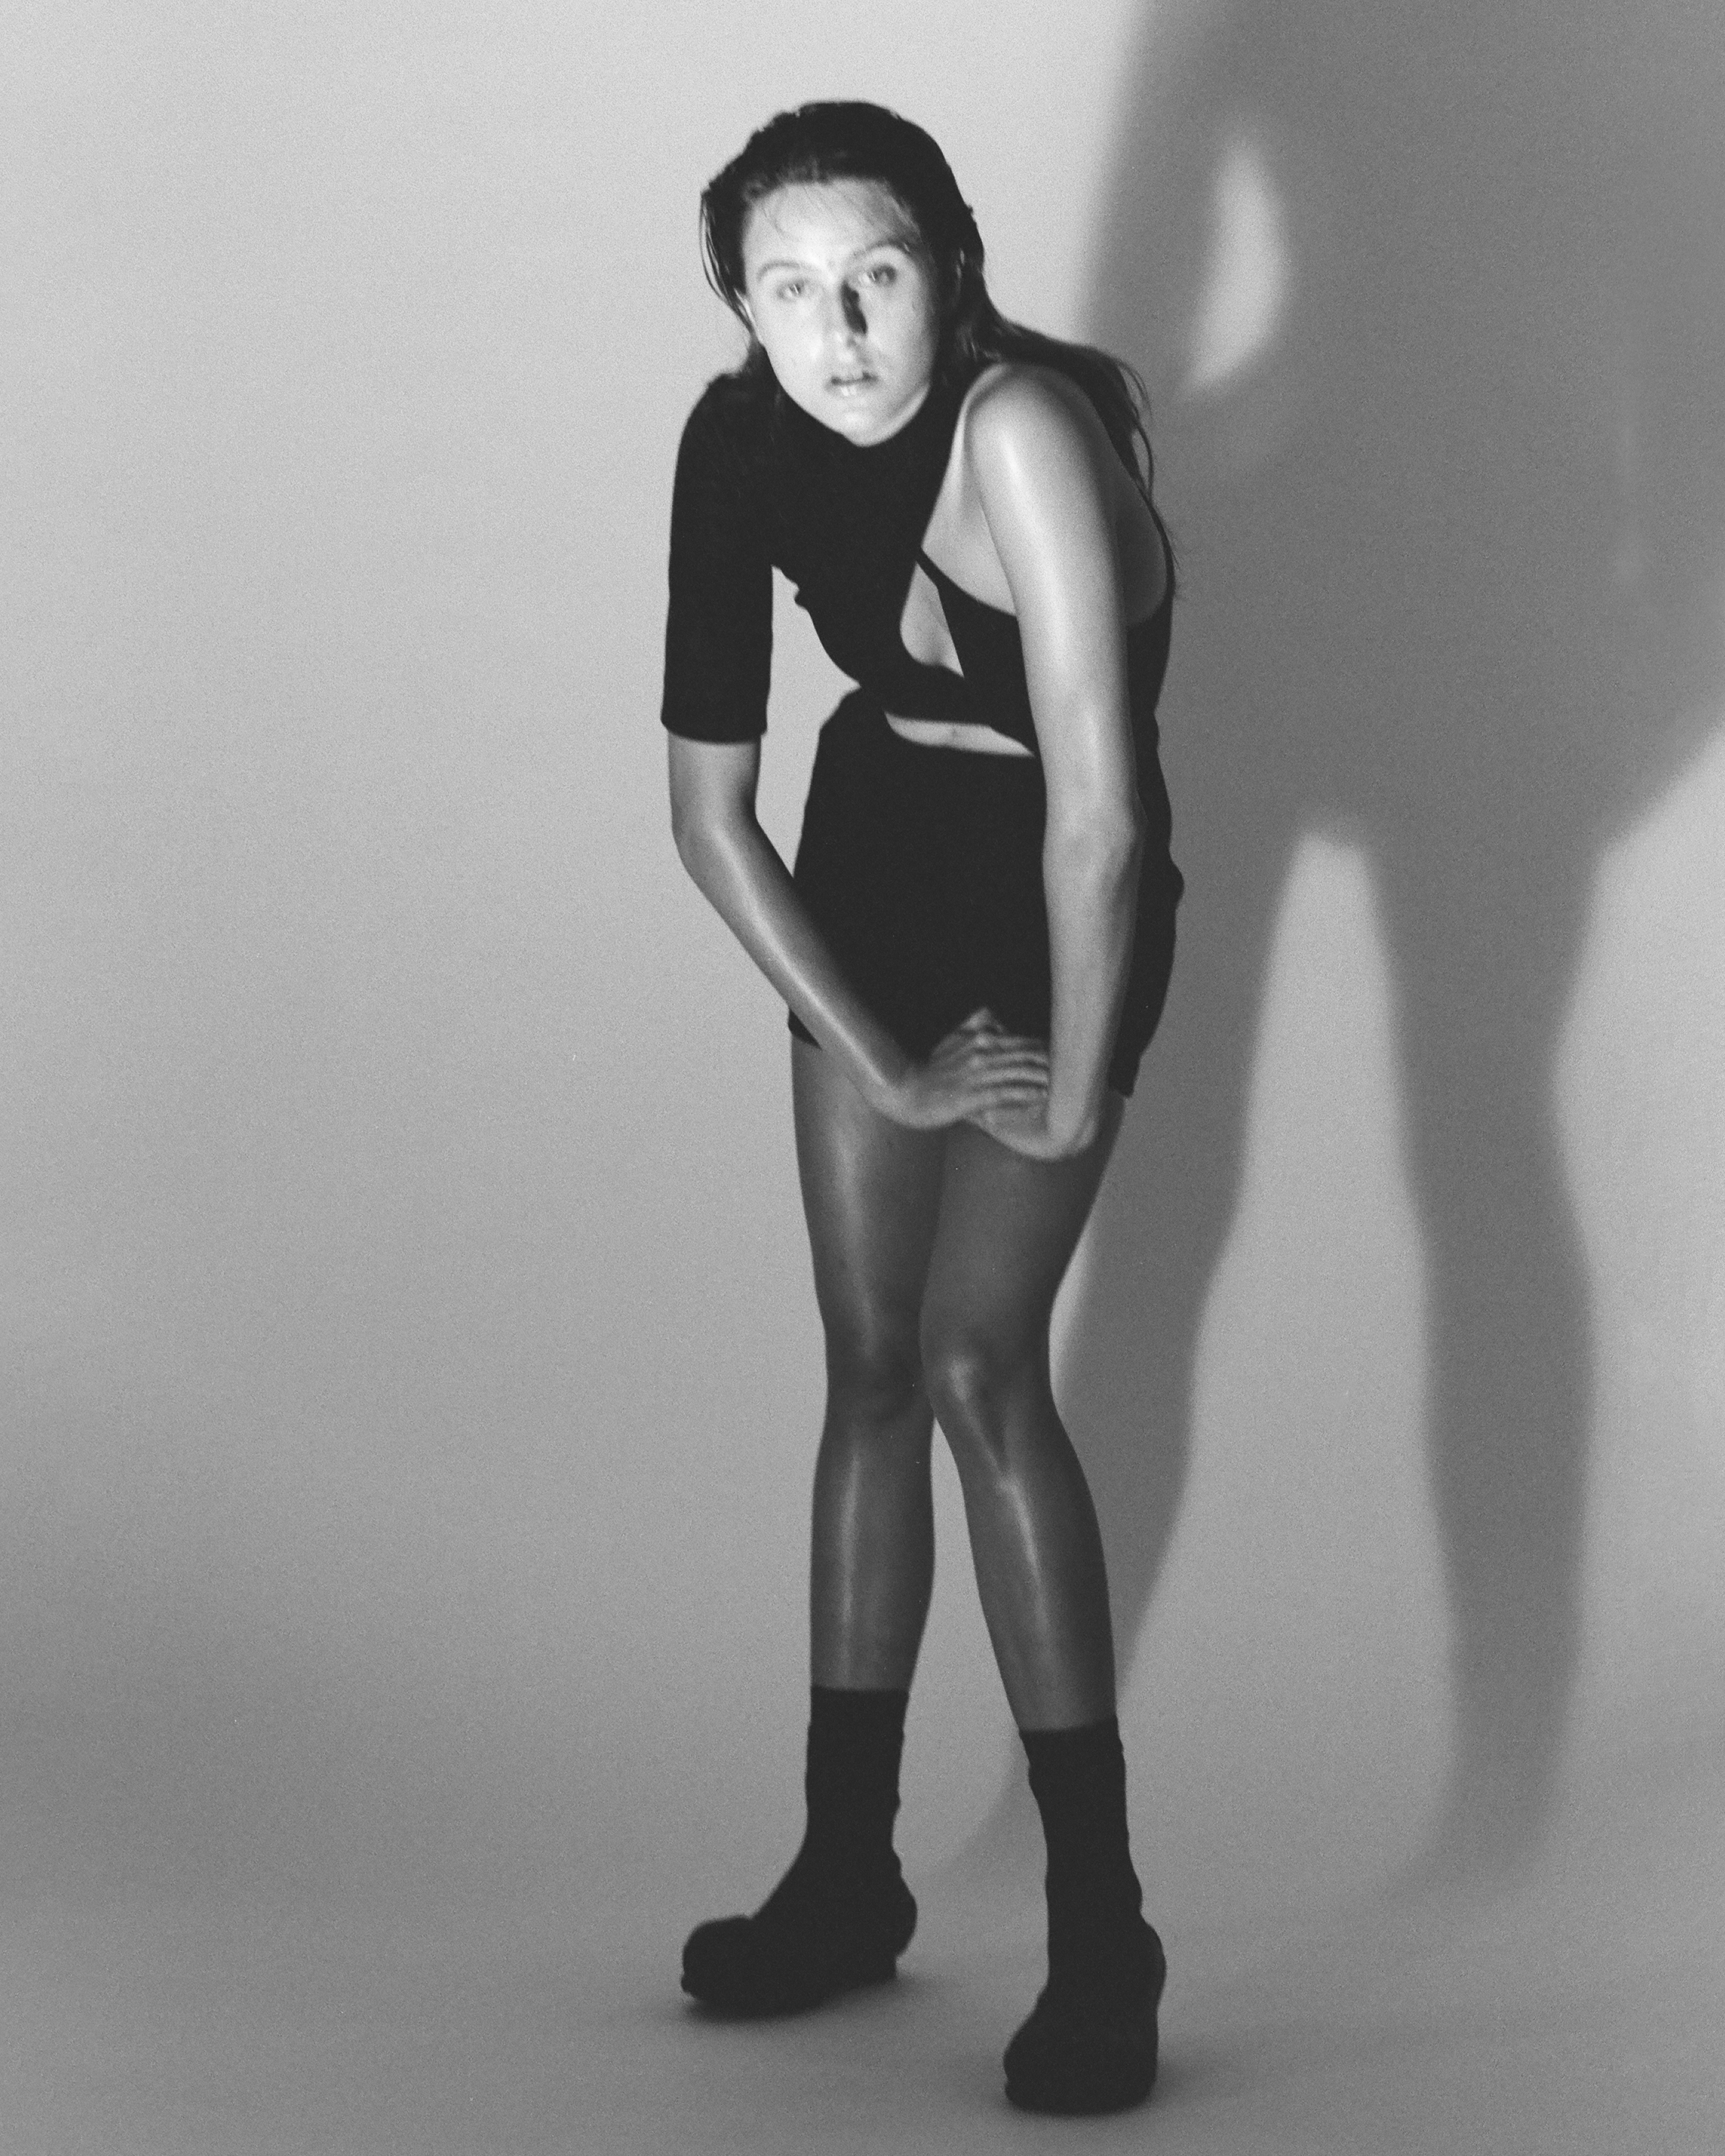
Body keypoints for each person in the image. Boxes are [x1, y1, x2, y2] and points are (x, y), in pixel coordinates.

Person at [660, 100, 1181, 2117]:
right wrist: (880, 1055)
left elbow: (1101, 815)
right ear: (741, 306)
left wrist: (1068, 1081)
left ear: (950, 268)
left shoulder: (1020, 428)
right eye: (788, 289)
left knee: (979, 1366)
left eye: (874, 274)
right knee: (869, 1364)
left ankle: (1105, 1931)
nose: (839, 329)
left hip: (1055, 891)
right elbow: (711, 815)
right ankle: (846, 1872)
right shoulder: (735, 439)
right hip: (872, 849)